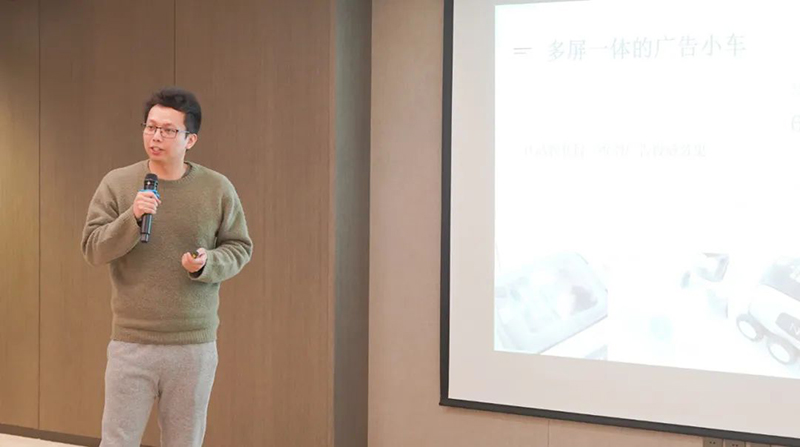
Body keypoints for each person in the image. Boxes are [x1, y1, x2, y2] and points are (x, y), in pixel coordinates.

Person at [81, 87, 253, 447]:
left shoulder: (217, 188)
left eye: (168, 130)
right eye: (151, 126)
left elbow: (239, 247)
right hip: (132, 342)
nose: (156, 136)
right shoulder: (118, 184)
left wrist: (207, 263)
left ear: (191, 139)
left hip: (193, 345)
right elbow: (93, 249)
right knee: (117, 441)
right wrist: (132, 217)